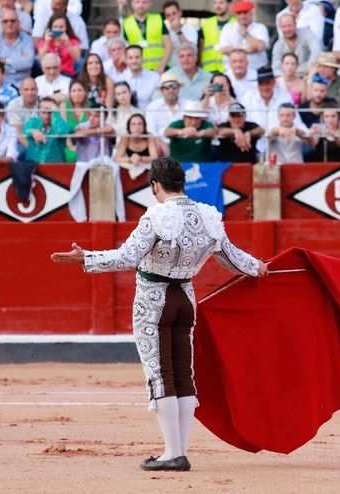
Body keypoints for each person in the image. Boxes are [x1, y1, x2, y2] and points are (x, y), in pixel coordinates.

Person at [50, 156, 268, 473]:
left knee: (161, 374)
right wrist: (257, 267)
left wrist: (86, 259)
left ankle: (173, 452)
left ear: (155, 185)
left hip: (154, 301)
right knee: (183, 374)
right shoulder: (207, 216)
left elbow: (126, 258)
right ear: (182, 183)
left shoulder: (157, 217)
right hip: (185, 299)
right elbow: (232, 260)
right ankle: (177, 450)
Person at [0, 7, 36, 88]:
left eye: (13, 21)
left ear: (18, 23)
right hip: (0, 85)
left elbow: (28, 63)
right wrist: (18, 65)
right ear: (1, 24)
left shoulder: (28, 39)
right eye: (5, 21)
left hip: (23, 86)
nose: (9, 24)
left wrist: (5, 61)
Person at [120, 0, 172, 73]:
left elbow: (169, 45)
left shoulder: (158, 19)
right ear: (132, 4)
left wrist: (162, 67)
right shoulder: (126, 23)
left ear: (149, 4)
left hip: (161, 69)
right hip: (139, 71)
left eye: (144, 2)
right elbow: (124, 49)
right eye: (137, 2)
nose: (141, 5)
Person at [218, 1, 269, 71]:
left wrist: (245, 34)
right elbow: (224, 49)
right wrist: (247, 50)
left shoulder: (260, 28)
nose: (242, 16)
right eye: (239, 13)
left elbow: (260, 46)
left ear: (251, 13)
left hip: (257, 69)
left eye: (245, 13)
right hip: (233, 71)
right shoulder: (228, 28)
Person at [147, 72, 188, 157]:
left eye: (174, 87)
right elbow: (151, 132)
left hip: (185, 144)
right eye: (167, 87)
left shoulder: (188, 105)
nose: (171, 90)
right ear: (162, 90)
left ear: (179, 88)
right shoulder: (153, 107)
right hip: (161, 148)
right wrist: (163, 145)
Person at [271, 13, 322, 79]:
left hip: (308, 74)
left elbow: (317, 50)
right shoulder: (278, 45)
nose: (287, 29)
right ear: (280, 28)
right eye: (284, 26)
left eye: (289, 26)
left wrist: (308, 69)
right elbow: (276, 67)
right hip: (288, 79)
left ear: (295, 24)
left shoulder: (306, 33)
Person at [113, 44, 160, 109]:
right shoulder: (119, 79)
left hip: (149, 115)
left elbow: (158, 102)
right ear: (126, 60)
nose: (134, 61)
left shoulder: (154, 77)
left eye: (137, 57)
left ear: (142, 59)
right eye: (131, 58)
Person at [36, 13, 83, 78]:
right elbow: (41, 58)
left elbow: (77, 58)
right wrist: (47, 43)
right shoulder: (44, 41)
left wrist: (68, 44)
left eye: (61, 27)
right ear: (51, 28)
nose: (58, 30)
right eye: (55, 27)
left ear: (66, 28)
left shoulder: (73, 41)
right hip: (49, 74)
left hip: (67, 74)